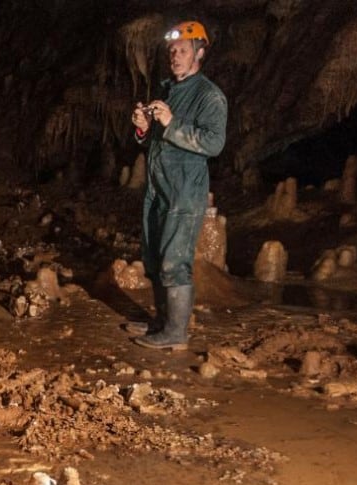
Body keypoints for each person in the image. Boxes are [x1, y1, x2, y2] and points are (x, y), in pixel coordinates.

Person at [128, 20, 227, 350]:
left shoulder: (209, 96)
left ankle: (176, 332)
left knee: (174, 261)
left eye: (183, 50)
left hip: (185, 191)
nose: (175, 56)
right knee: (155, 258)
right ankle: (161, 322)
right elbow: (158, 144)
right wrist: (144, 129)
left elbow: (213, 143)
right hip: (159, 189)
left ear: (199, 53)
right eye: (172, 51)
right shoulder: (169, 90)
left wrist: (171, 122)